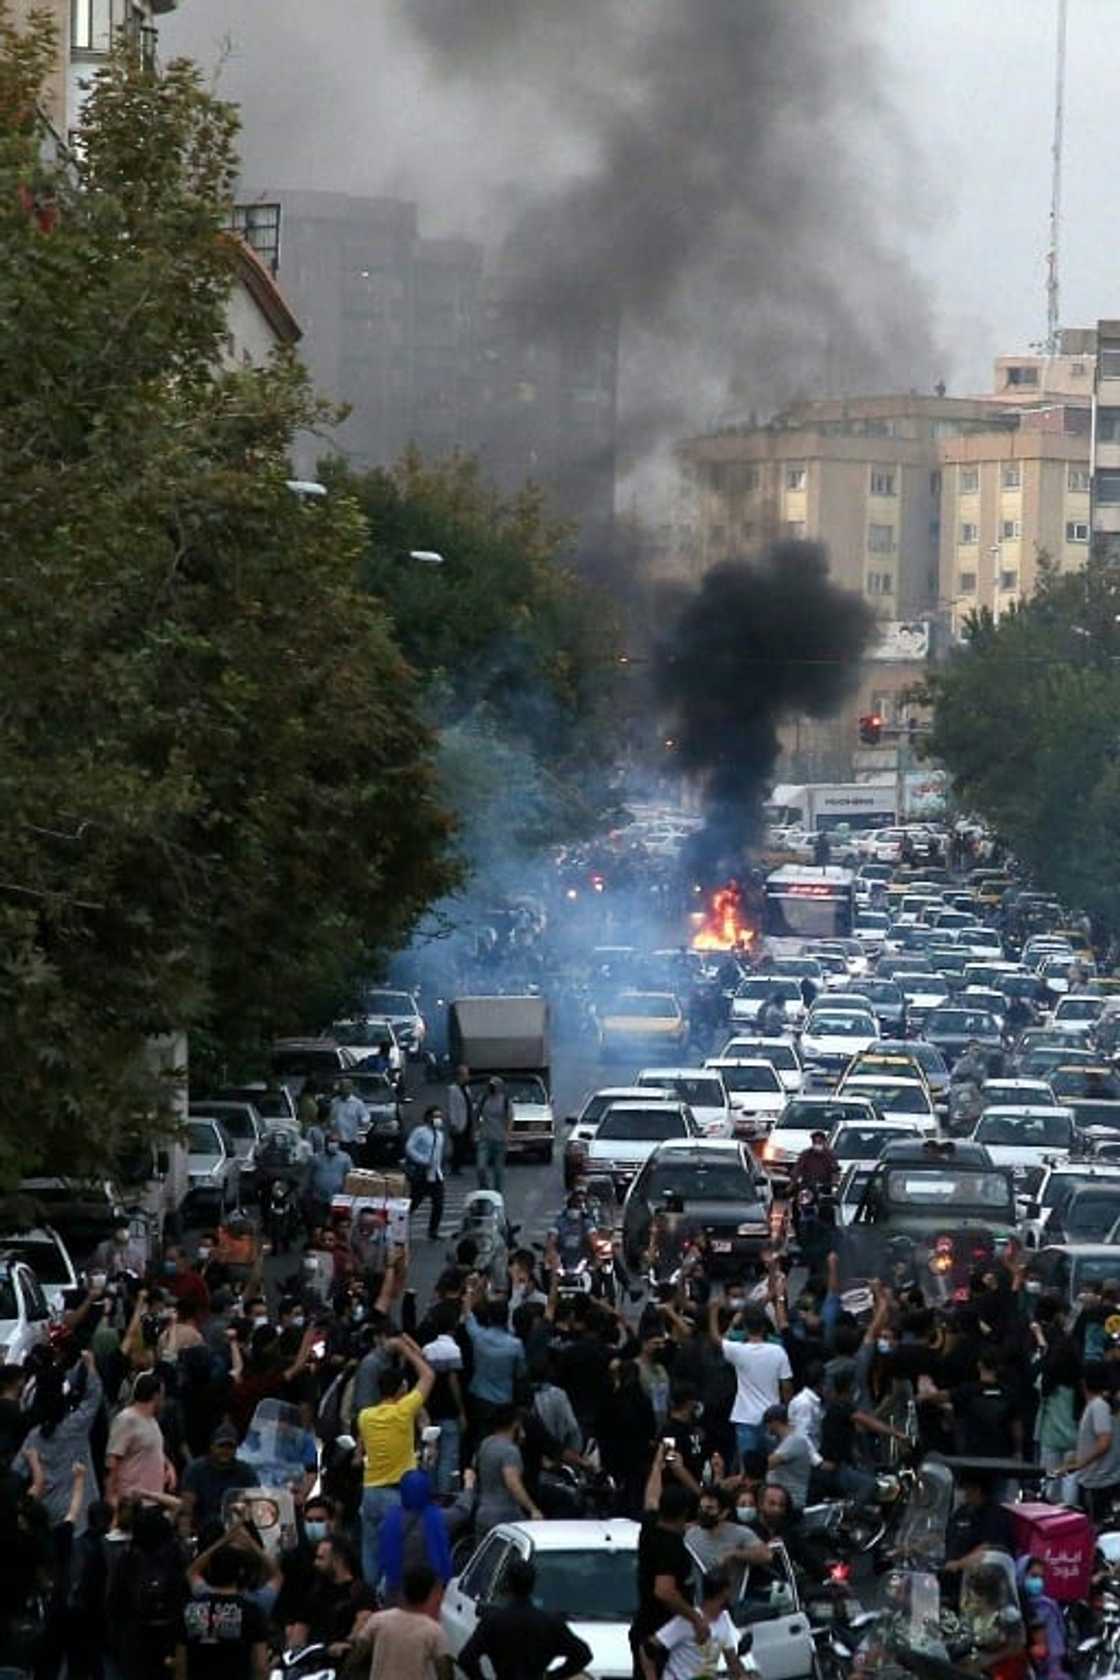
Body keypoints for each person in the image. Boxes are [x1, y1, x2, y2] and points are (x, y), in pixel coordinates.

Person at [357, 1336, 435, 1586]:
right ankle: (387, 1595)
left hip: (370, 1492)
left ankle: (370, 1596)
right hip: (397, 1493)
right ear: (402, 1389)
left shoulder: (365, 1416)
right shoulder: (403, 1411)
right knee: (396, 1552)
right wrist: (408, 1351)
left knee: (370, 1550)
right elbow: (428, 1376)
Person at [630, 1445, 707, 1680]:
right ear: (685, 1513)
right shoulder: (671, 1547)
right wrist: (694, 1618)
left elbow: (651, 1498)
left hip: (645, 1626)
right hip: (659, 1633)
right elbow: (664, 1591)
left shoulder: (651, 1527)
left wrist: (657, 1465)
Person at [457, 1555, 593, 1680]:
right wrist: (553, 1676)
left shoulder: (493, 1621)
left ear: (507, 1584)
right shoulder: (550, 1623)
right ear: (533, 1585)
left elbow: (466, 1658)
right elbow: (583, 1654)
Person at [15, 1348, 102, 1534]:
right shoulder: (76, 1426)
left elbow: (18, 1472)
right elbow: (93, 1397)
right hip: (81, 1513)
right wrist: (90, 1366)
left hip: (48, 1513)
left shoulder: (34, 1437)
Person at [177, 1534, 269, 1680]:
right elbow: (261, 1667)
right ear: (240, 1573)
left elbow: (181, 1663)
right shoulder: (251, 1611)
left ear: (210, 1571)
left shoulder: (191, 1609)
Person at [344, 1563, 453, 1680]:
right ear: (431, 1594)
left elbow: (355, 1658)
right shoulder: (434, 1631)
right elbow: (445, 1673)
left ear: (404, 1590)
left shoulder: (379, 1620)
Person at [713, 1302, 792, 1461]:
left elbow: (717, 1339)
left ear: (746, 1328)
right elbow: (787, 1387)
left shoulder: (738, 1350)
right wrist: (787, 1413)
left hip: (745, 1418)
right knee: (773, 1467)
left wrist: (713, 1312)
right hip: (773, 1420)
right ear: (764, 1326)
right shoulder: (778, 1351)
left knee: (747, 1469)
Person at [642, 1568, 750, 1680]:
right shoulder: (688, 1621)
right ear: (724, 1593)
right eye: (731, 1590)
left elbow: (731, 1659)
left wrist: (742, 1675)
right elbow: (646, 1650)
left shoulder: (724, 1619)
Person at [376, 1469, 454, 1601]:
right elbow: (463, 1511)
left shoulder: (390, 1521)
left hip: (396, 1594)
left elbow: (384, 1560)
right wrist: (469, 1488)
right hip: (426, 1595)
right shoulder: (436, 1519)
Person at [1061, 1361, 1120, 1520]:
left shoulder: (1098, 1406)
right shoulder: (1099, 1405)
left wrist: (1080, 1464)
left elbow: (1104, 1442)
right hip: (1095, 1479)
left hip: (1097, 1482)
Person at [105, 1372, 172, 1510]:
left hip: (154, 1497)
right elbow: (113, 1459)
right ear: (155, 1395)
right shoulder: (126, 1419)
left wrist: (168, 1466)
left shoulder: (152, 1420)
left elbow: (152, 1448)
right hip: (132, 1500)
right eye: (162, 1395)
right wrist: (111, 1496)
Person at [180, 1422, 261, 1534]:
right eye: (221, 1446)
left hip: (236, 1530)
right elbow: (186, 1510)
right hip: (204, 1531)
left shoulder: (246, 1471)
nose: (225, 1451)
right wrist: (185, 1538)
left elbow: (256, 1504)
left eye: (230, 1447)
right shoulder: (195, 1470)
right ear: (212, 1446)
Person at [475, 1407, 543, 1532]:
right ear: (515, 1425)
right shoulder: (510, 1451)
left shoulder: (486, 1443)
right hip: (505, 1515)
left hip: (483, 1512)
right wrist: (533, 1509)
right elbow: (513, 1483)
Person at [763, 1403, 814, 1512]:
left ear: (775, 1422)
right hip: (777, 1497)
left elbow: (767, 1464)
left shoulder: (794, 1441)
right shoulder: (783, 1442)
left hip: (789, 1502)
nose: (767, 1428)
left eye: (768, 1424)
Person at [405, 1105, 446, 1240]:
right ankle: (399, 1225)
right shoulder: (420, 1132)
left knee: (438, 1204)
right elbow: (409, 1148)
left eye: (439, 1116)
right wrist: (422, 1160)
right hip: (422, 1174)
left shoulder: (440, 1135)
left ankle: (433, 1231)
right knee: (414, 1201)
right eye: (435, 1116)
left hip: (436, 1174)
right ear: (428, 1118)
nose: (438, 1119)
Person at [476, 1076, 513, 1193]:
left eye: (494, 1086)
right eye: (490, 1086)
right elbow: (476, 1114)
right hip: (485, 1138)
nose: (492, 1088)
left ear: (500, 1087)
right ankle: (484, 1189)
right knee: (481, 1167)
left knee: (498, 1171)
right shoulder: (483, 1099)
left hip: (499, 1139)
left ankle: (497, 1194)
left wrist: (507, 1134)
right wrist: (476, 1130)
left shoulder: (505, 1101)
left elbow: (510, 1118)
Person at [446, 1064, 474, 1175]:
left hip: (466, 1120)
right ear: (459, 1076)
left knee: (464, 1145)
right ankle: (454, 1167)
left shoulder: (466, 1089)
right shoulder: (453, 1090)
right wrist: (453, 1123)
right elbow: (452, 1107)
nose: (468, 1077)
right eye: (466, 1075)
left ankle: (458, 1165)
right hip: (458, 1122)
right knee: (458, 1146)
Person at [329, 1077, 369, 1147]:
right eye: (343, 1088)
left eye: (347, 1088)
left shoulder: (357, 1103)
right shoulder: (334, 1102)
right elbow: (330, 1119)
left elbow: (365, 1118)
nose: (345, 1090)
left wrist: (362, 1129)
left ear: (351, 1089)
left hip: (351, 1140)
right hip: (336, 1141)